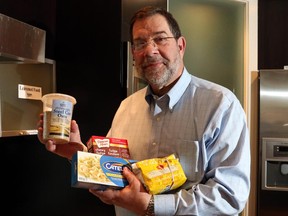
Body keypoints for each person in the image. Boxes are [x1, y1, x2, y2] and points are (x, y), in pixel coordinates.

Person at [37, 6, 250, 216]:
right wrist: (78, 155)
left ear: (181, 45)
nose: (150, 50)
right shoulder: (126, 107)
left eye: (160, 38)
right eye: (140, 43)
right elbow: (112, 172)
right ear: (133, 53)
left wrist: (153, 205)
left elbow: (229, 195)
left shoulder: (221, 105)